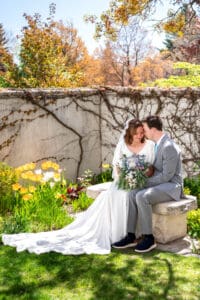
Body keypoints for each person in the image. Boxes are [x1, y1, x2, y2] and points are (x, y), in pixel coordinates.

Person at [2, 119, 155, 255]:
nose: (140, 136)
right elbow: (117, 165)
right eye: (136, 133)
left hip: (140, 182)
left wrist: (139, 176)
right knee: (115, 194)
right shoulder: (123, 144)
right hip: (123, 180)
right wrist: (123, 177)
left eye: (142, 133)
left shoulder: (149, 145)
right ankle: (119, 234)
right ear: (130, 133)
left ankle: (131, 234)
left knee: (128, 195)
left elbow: (150, 167)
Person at [112, 115, 184, 253]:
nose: (143, 132)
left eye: (144, 129)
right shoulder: (157, 144)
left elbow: (166, 176)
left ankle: (149, 238)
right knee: (132, 194)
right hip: (161, 184)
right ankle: (131, 235)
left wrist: (143, 183)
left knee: (142, 196)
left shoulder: (169, 146)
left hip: (172, 186)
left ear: (153, 129)